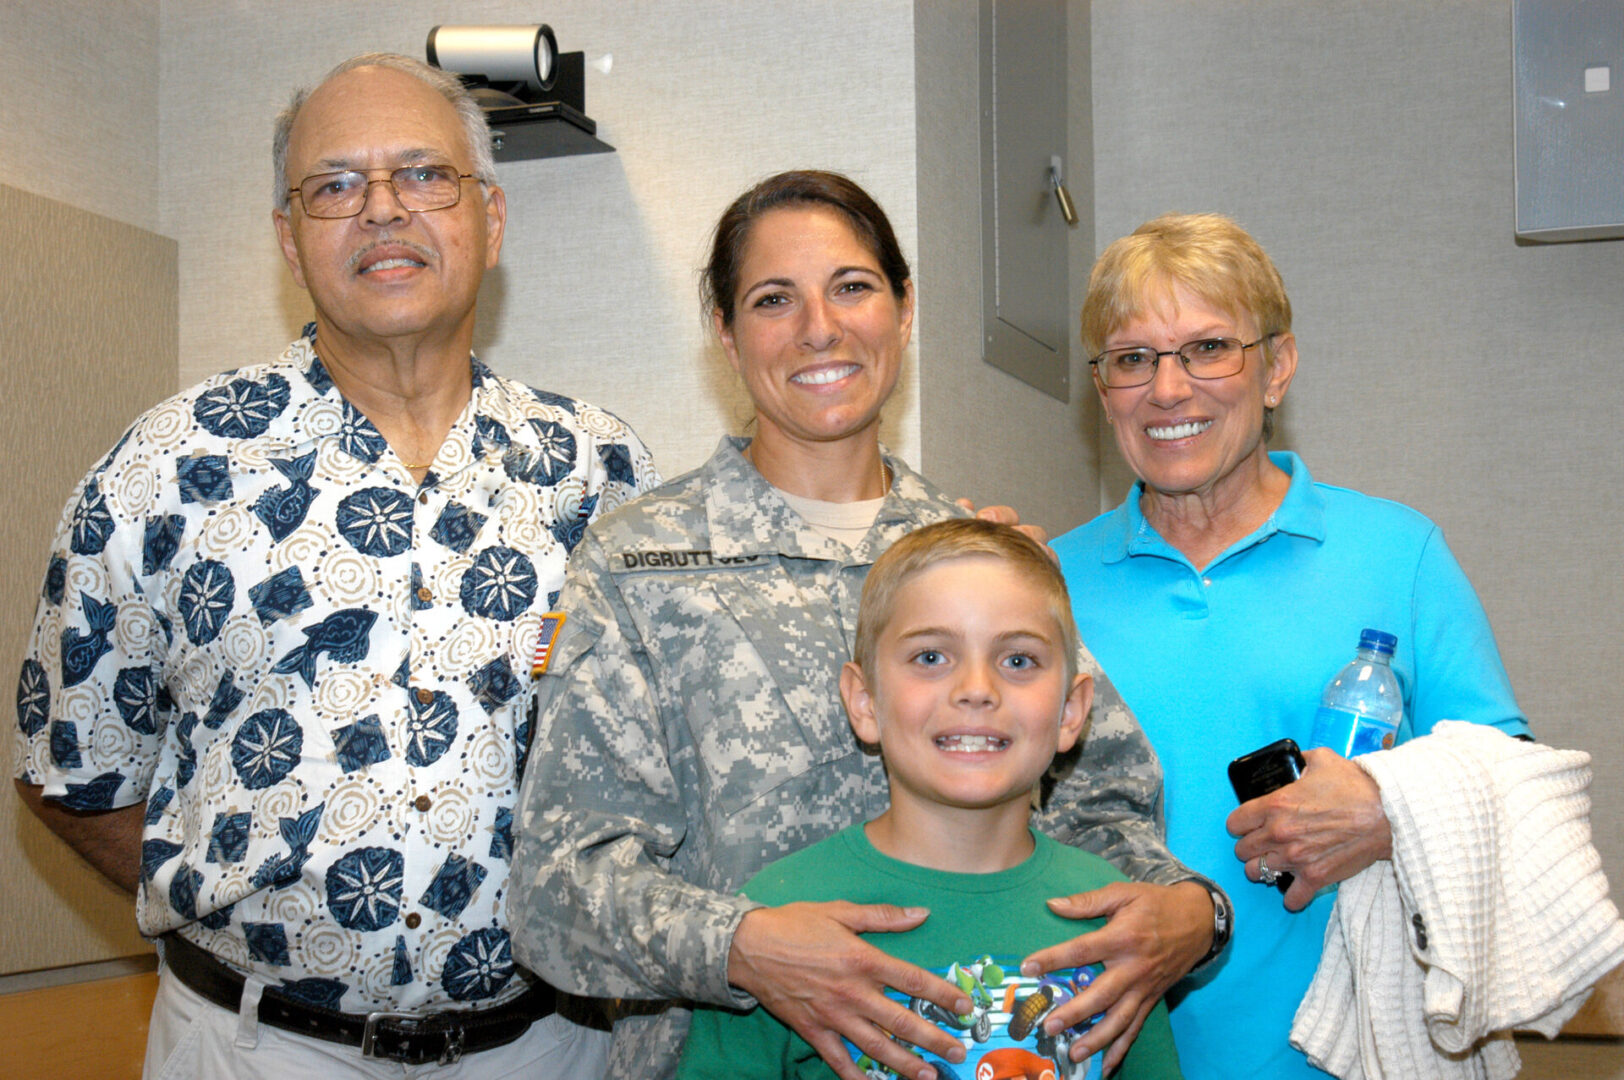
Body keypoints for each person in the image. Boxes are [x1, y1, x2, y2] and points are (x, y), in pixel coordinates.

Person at [10, 53, 657, 1077]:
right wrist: (225, 895)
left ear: (491, 218)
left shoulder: (601, 471)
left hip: (544, 1050)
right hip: (255, 1047)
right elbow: (70, 771)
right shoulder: (168, 468)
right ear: (287, 238)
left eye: (423, 175)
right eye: (336, 185)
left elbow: (674, 747)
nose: (383, 210)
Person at [507, 171, 1226, 1080]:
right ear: (726, 336)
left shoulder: (975, 556)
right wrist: (748, 948)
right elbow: (556, 893)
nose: (820, 327)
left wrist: (1193, 912)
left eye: (853, 287)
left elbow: (1106, 810)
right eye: (775, 299)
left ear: (904, 307)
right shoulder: (643, 566)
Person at [1049, 211, 1530, 1079]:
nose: (1168, 389)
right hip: (1103, 1058)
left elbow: (1517, 787)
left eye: (1208, 349)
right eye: (1133, 360)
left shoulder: (1399, 552)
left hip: (1359, 1058)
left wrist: (1390, 812)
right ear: (1103, 388)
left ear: (1277, 368)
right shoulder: (1041, 584)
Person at [675, 519, 1184, 1080]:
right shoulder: (780, 918)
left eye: (1018, 660)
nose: (976, 688)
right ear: (865, 702)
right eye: (930, 657)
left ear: (1070, 712)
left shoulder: (1118, 925)